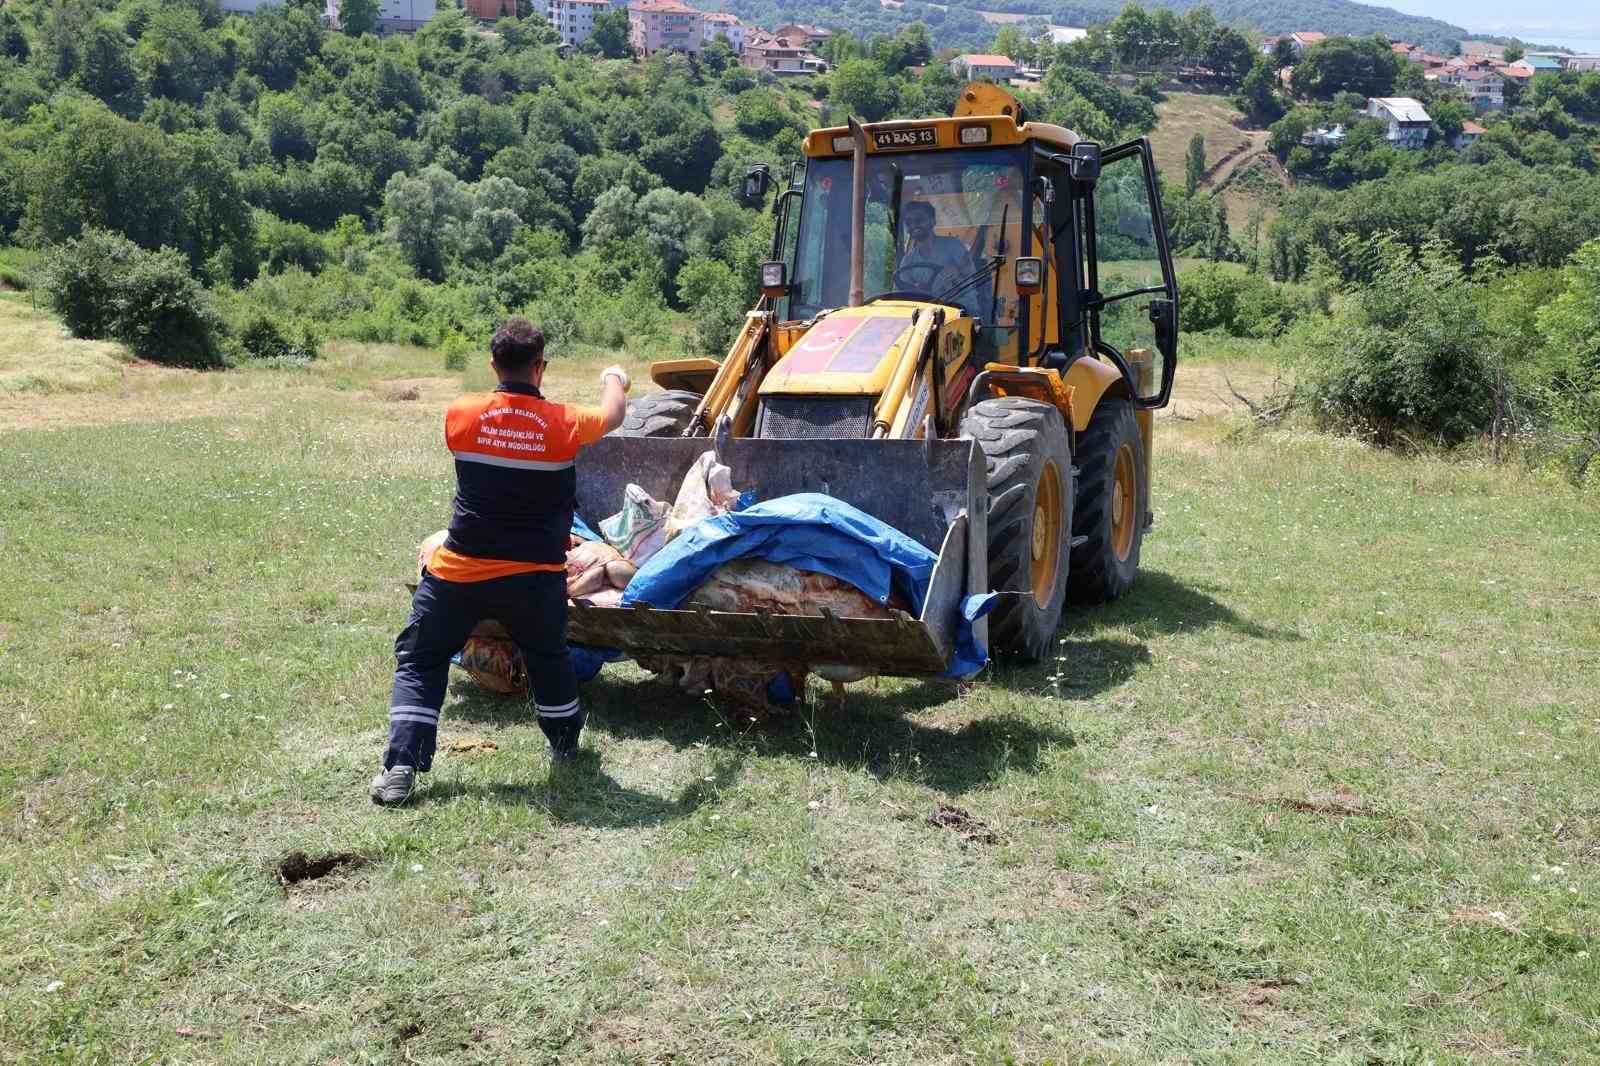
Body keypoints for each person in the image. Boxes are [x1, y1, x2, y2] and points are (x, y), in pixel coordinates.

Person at [370, 317, 630, 807]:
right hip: (535, 576)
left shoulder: (461, 412)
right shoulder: (566, 422)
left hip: (460, 572)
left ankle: (401, 767)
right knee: (547, 655)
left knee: (422, 658)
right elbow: (613, 414)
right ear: (541, 367)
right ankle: (566, 747)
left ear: (493, 365)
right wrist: (614, 377)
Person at [897, 200, 969, 294]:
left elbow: (971, 270)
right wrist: (918, 290)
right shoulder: (907, 261)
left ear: (933, 221)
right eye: (908, 222)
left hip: (961, 302)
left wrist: (958, 270)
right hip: (930, 303)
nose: (913, 225)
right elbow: (905, 293)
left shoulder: (953, 245)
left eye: (919, 220)